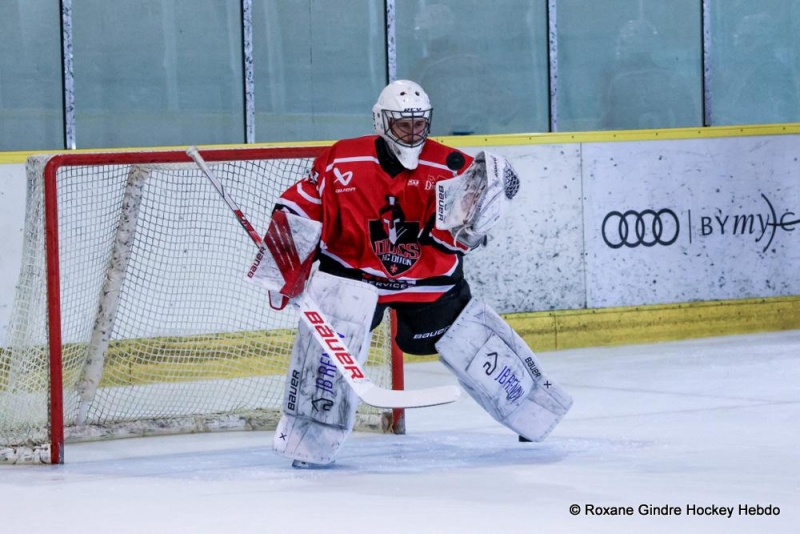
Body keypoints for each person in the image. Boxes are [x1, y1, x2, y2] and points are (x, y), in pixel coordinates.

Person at [249, 80, 572, 467]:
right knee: (327, 349)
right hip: (353, 276)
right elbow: (298, 210)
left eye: (420, 124)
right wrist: (284, 262)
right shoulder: (342, 160)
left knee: (473, 340)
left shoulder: (452, 166)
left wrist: (475, 217)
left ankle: (530, 406)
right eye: (404, 124)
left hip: (428, 280)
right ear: (380, 122)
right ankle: (310, 436)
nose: (413, 132)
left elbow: (463, 235)